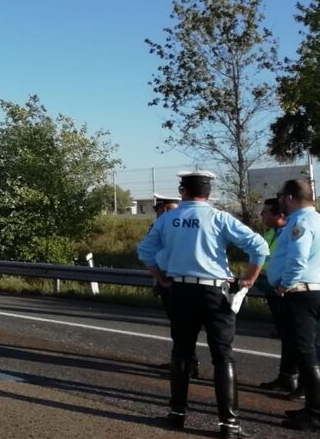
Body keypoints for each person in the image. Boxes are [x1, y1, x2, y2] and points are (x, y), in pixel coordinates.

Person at [137, 170, 269, 439]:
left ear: (182, 191)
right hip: (214, 291)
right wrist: (249, 279)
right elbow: (259, 246)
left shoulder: (168, 218)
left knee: (182, 352)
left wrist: (161, 277)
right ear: (208, 193)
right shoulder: (218, 217)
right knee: (222, 355)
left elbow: (145, 251)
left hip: (180, 290)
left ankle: (177, 415)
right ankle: (228, 425)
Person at [269, 178, 320, 430]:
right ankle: (313, 407)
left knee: (306, 352)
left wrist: (284, 284)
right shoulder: (318, 219)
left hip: (301, 293)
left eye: (280, 195)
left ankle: (314, 413)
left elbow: (298, 259)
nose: (280, 200)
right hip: (316, 290)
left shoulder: (299, 222)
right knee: (315, 350)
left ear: (289, 197)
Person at [150, 194, 200, 378]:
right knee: (177, 325)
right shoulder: (161, 226)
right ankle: (182, 360)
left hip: (177, 281)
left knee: (182, 325)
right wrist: (157, 281)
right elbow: (157, 256)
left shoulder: (174, 227)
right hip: (168, 279)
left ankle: (188, 363)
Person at [256, 197, 299, 395]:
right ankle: (286, 376)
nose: (262, 215)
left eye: (265, 212)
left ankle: (301, 383)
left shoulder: (289, 233)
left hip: (285, 290)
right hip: (271, 288)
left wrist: (283, 285)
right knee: (286, 335)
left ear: (280, 215)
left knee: (297, 338)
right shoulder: (272, 233)